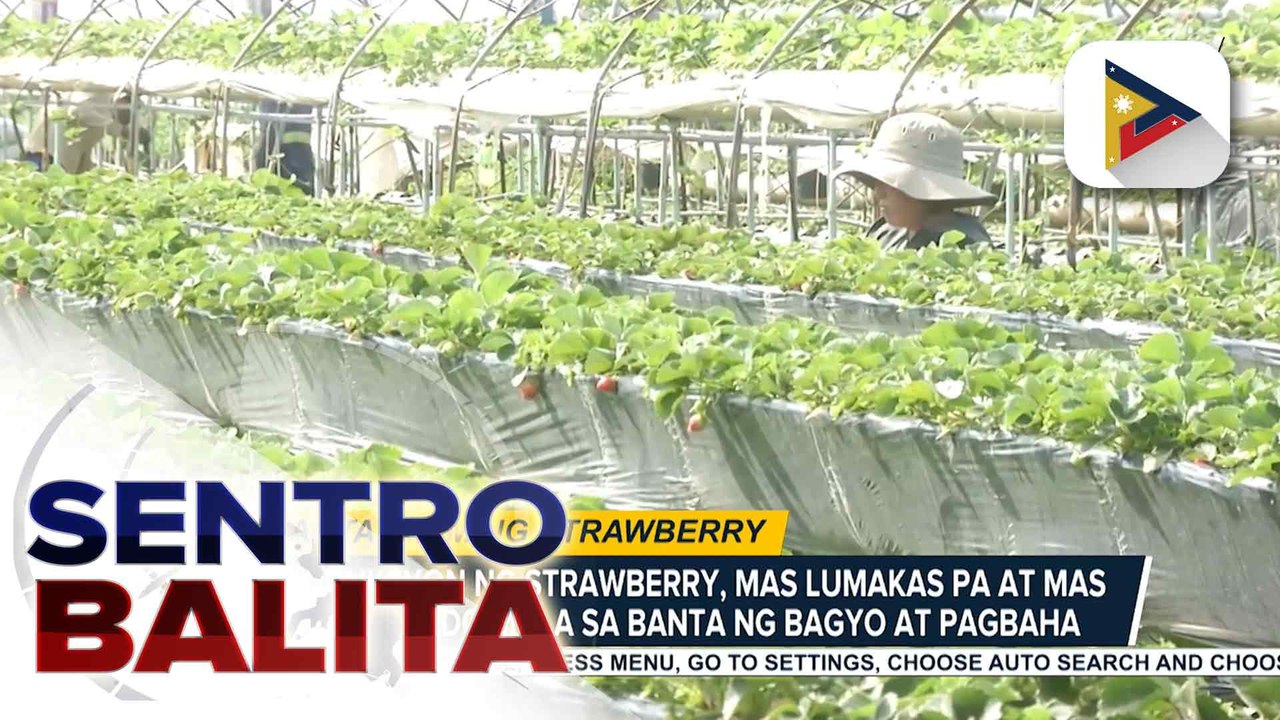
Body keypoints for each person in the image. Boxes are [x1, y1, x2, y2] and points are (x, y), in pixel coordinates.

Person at [836, 113, 995, 250]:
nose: (879, 193)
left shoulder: (965, 246)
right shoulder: (886, 234)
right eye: (879, 180)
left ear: (928, 189)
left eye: (890, 181)